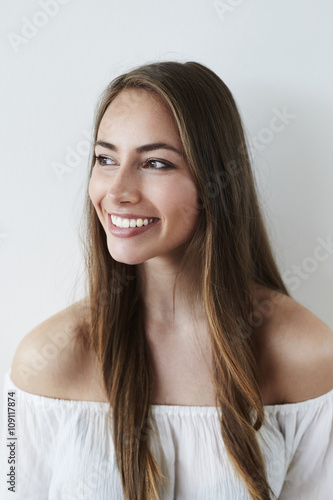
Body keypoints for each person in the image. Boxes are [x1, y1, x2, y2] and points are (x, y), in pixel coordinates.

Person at [1, 61, 333, 500]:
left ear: (216, 181)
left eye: (155, 163)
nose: (117, 190)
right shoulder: (47, 360)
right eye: (105, 159)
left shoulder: (306, 355)